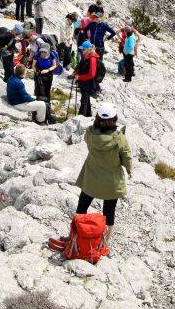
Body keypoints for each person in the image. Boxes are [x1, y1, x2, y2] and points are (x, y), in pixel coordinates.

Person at [75, 102, 132, 248]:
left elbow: (87, 140)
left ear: (97, 117)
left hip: (91, 176)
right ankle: (104, 242)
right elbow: (126, 156)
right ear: (115, 118)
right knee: (109, 212)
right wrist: (129, 169)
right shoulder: (119, 138)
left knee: (82, 205)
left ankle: (76, 235)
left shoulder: (90, 133)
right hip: (111, 180)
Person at [70, 41, 99, 117]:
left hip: (88, 83)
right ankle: (88, 116)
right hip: (84, 82)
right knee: (86, 100)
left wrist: (79, 77)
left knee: (84, 101)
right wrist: (75, 71)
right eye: (81, 49)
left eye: (83, 49)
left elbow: (92, 75)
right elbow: (80, 65)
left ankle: (80, 117)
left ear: (89, 49)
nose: (81, 51)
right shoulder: (85, 56)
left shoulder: (92, 59)